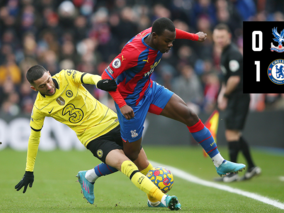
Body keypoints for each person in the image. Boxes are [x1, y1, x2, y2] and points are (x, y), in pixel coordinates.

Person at [92, 17, 245, 205]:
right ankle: (90, 176)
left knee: (190, 115)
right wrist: (121, 104)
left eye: (172, 40)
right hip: (130, 102)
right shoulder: (132, 52)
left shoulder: (158, 33)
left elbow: (174, 32)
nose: (171, 44)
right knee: (131, 155)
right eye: (167, 41)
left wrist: (194, 37)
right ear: (154, 36)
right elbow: (105, 78)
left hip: (148, 89)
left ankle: (219, 163)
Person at [14, 65, 181, 210]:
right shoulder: (39, 108)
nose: (49, 86)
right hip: (93, 138)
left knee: (145, 167)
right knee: (126, 165)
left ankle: (150, 201)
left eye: (48, 80)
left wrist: (100, 82)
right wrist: (29, 170)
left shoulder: (66, 76)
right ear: (33, 89)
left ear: (50, 73)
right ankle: (165, 199)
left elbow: (88, 77)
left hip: (114, 123)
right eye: (42, 86)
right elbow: (34, 138)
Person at [213, 24, 261, 182]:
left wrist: (225, 96)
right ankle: (252, 167)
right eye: (217, 37)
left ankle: (232, 174)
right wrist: (222, 95)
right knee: (234, 134)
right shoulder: (225, 52)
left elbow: (235, 79)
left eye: (222, 37)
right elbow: (226, 79)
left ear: (229, 36)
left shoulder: (233, 53)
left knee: (231, 133)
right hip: (234, 96)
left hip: (239, 96)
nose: (219, 40)